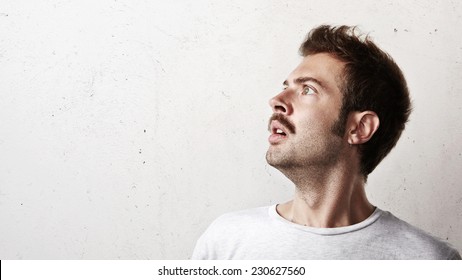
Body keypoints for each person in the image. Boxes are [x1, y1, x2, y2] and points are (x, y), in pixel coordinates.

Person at [192, 25, 461, 260]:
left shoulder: (428, 261)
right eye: (286, 86)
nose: (276, 100)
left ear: (359, 128)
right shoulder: (225, 241)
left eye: (307, 89)